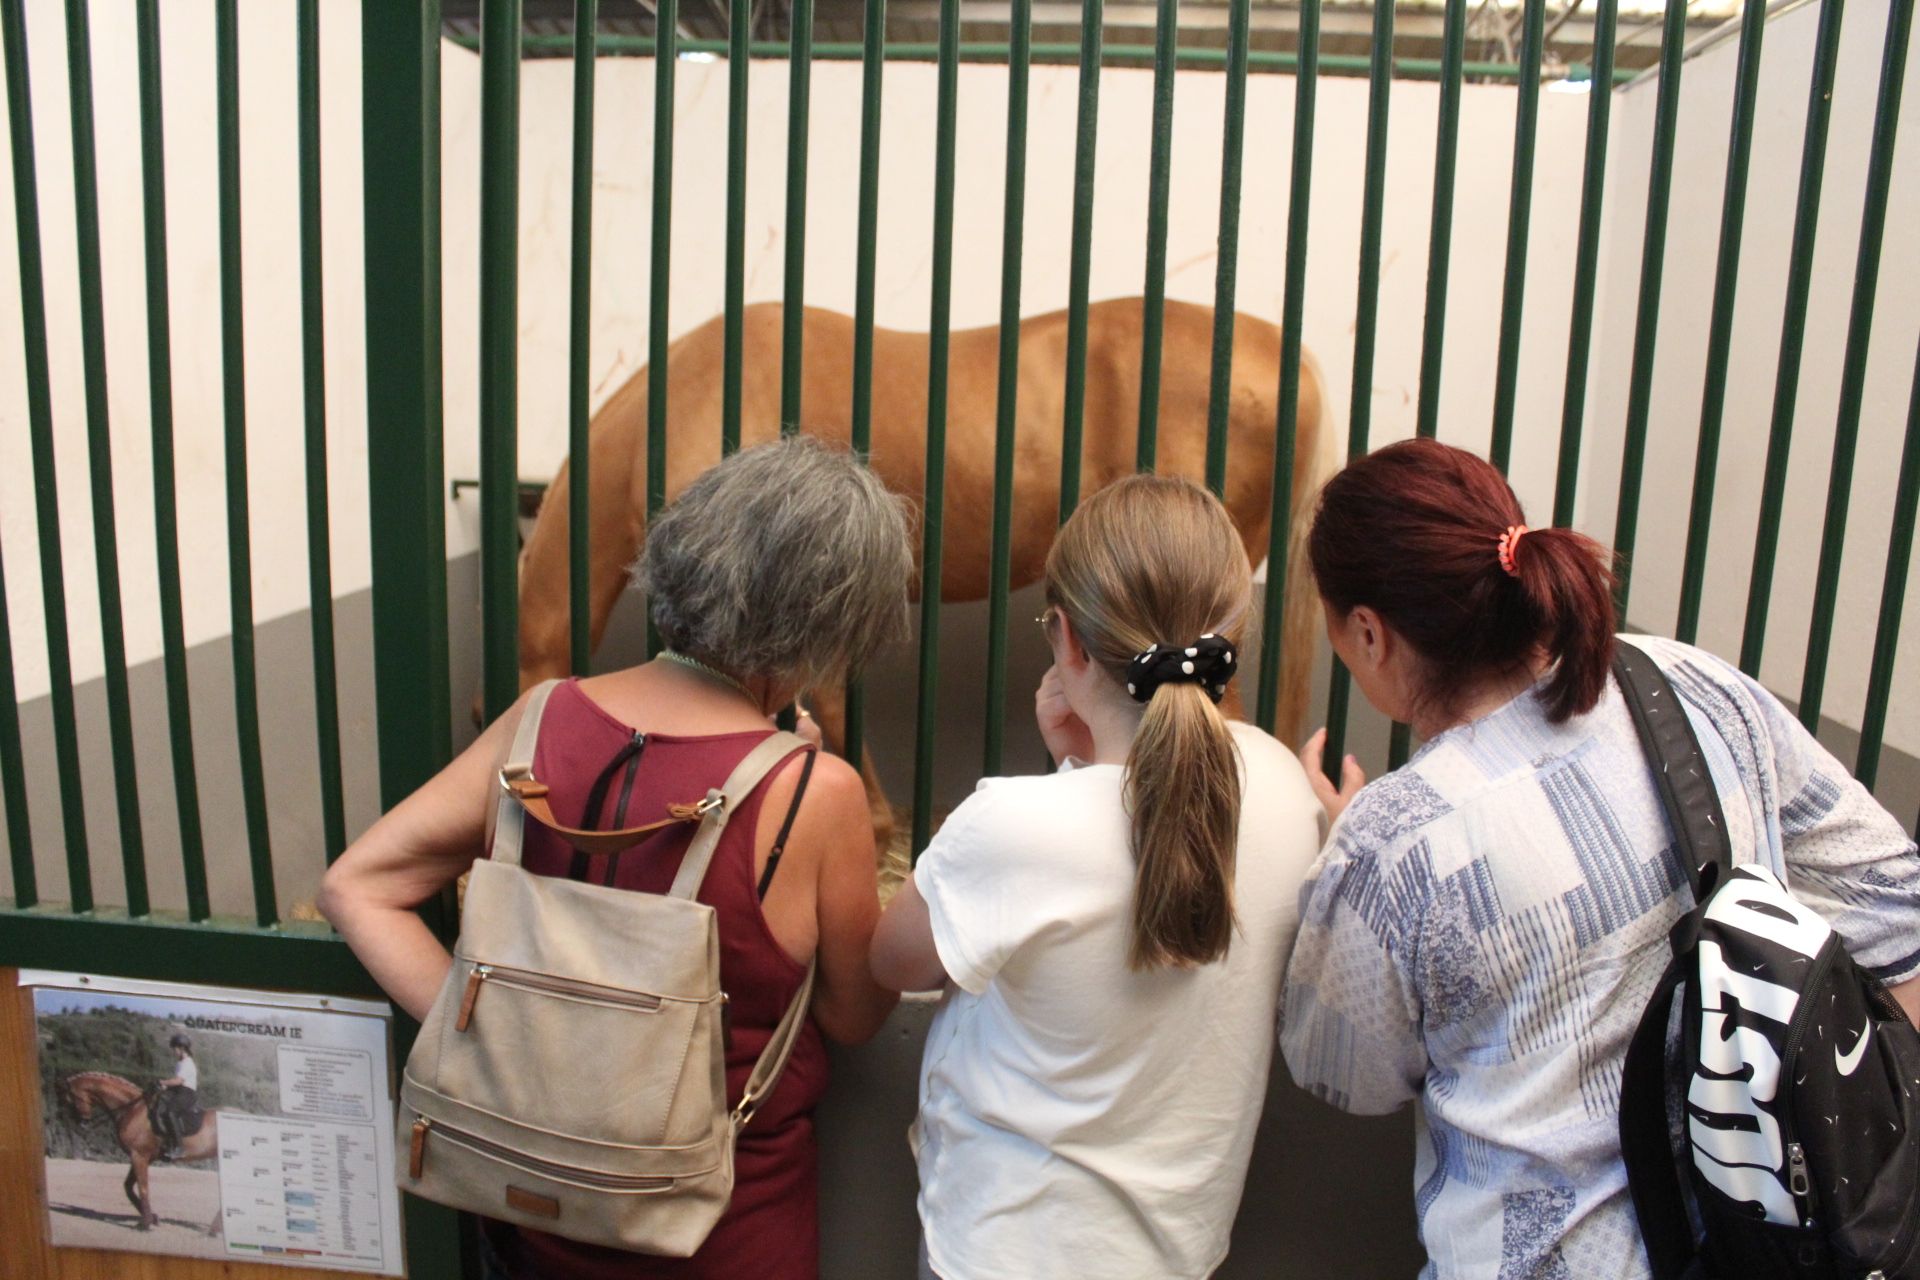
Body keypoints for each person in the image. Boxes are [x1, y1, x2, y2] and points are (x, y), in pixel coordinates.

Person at [1280, 437, 1920, 1279]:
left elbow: (1342, 1071)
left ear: (1369, 633)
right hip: (1761, 1247)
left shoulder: (1393, 842)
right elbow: (1896, 906)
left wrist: (1345, 865)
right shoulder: (1695, 684)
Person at [320, 438, 910, 1280]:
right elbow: (855, 1016)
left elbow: (355, 887)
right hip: (725, 1234)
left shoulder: (538, 719)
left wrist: (489, 1041)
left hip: (529, 1216)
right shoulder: (816, 793)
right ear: (824, 622)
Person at [870, 474, 1326, 1280]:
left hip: (1007, 1249)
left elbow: (892, 963)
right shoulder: (1286, 786)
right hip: (1177, 1251)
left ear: (1070, 643)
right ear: (1233, 634)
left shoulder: (1012, 827)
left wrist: (1062, 778)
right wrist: (1076, 764)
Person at [153, 1032, 198, 1161]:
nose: (174, 1052)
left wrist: (163, 1082)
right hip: (179, 1092)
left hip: (187, 1094)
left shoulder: (187, 1063)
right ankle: (167, 1143)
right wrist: (164, 1087)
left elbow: (178, 1081)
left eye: (175, 1049)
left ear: (182, 1048)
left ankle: (180, 1148)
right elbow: (175, 1083)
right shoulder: (180, 1063)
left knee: (170, 1112)